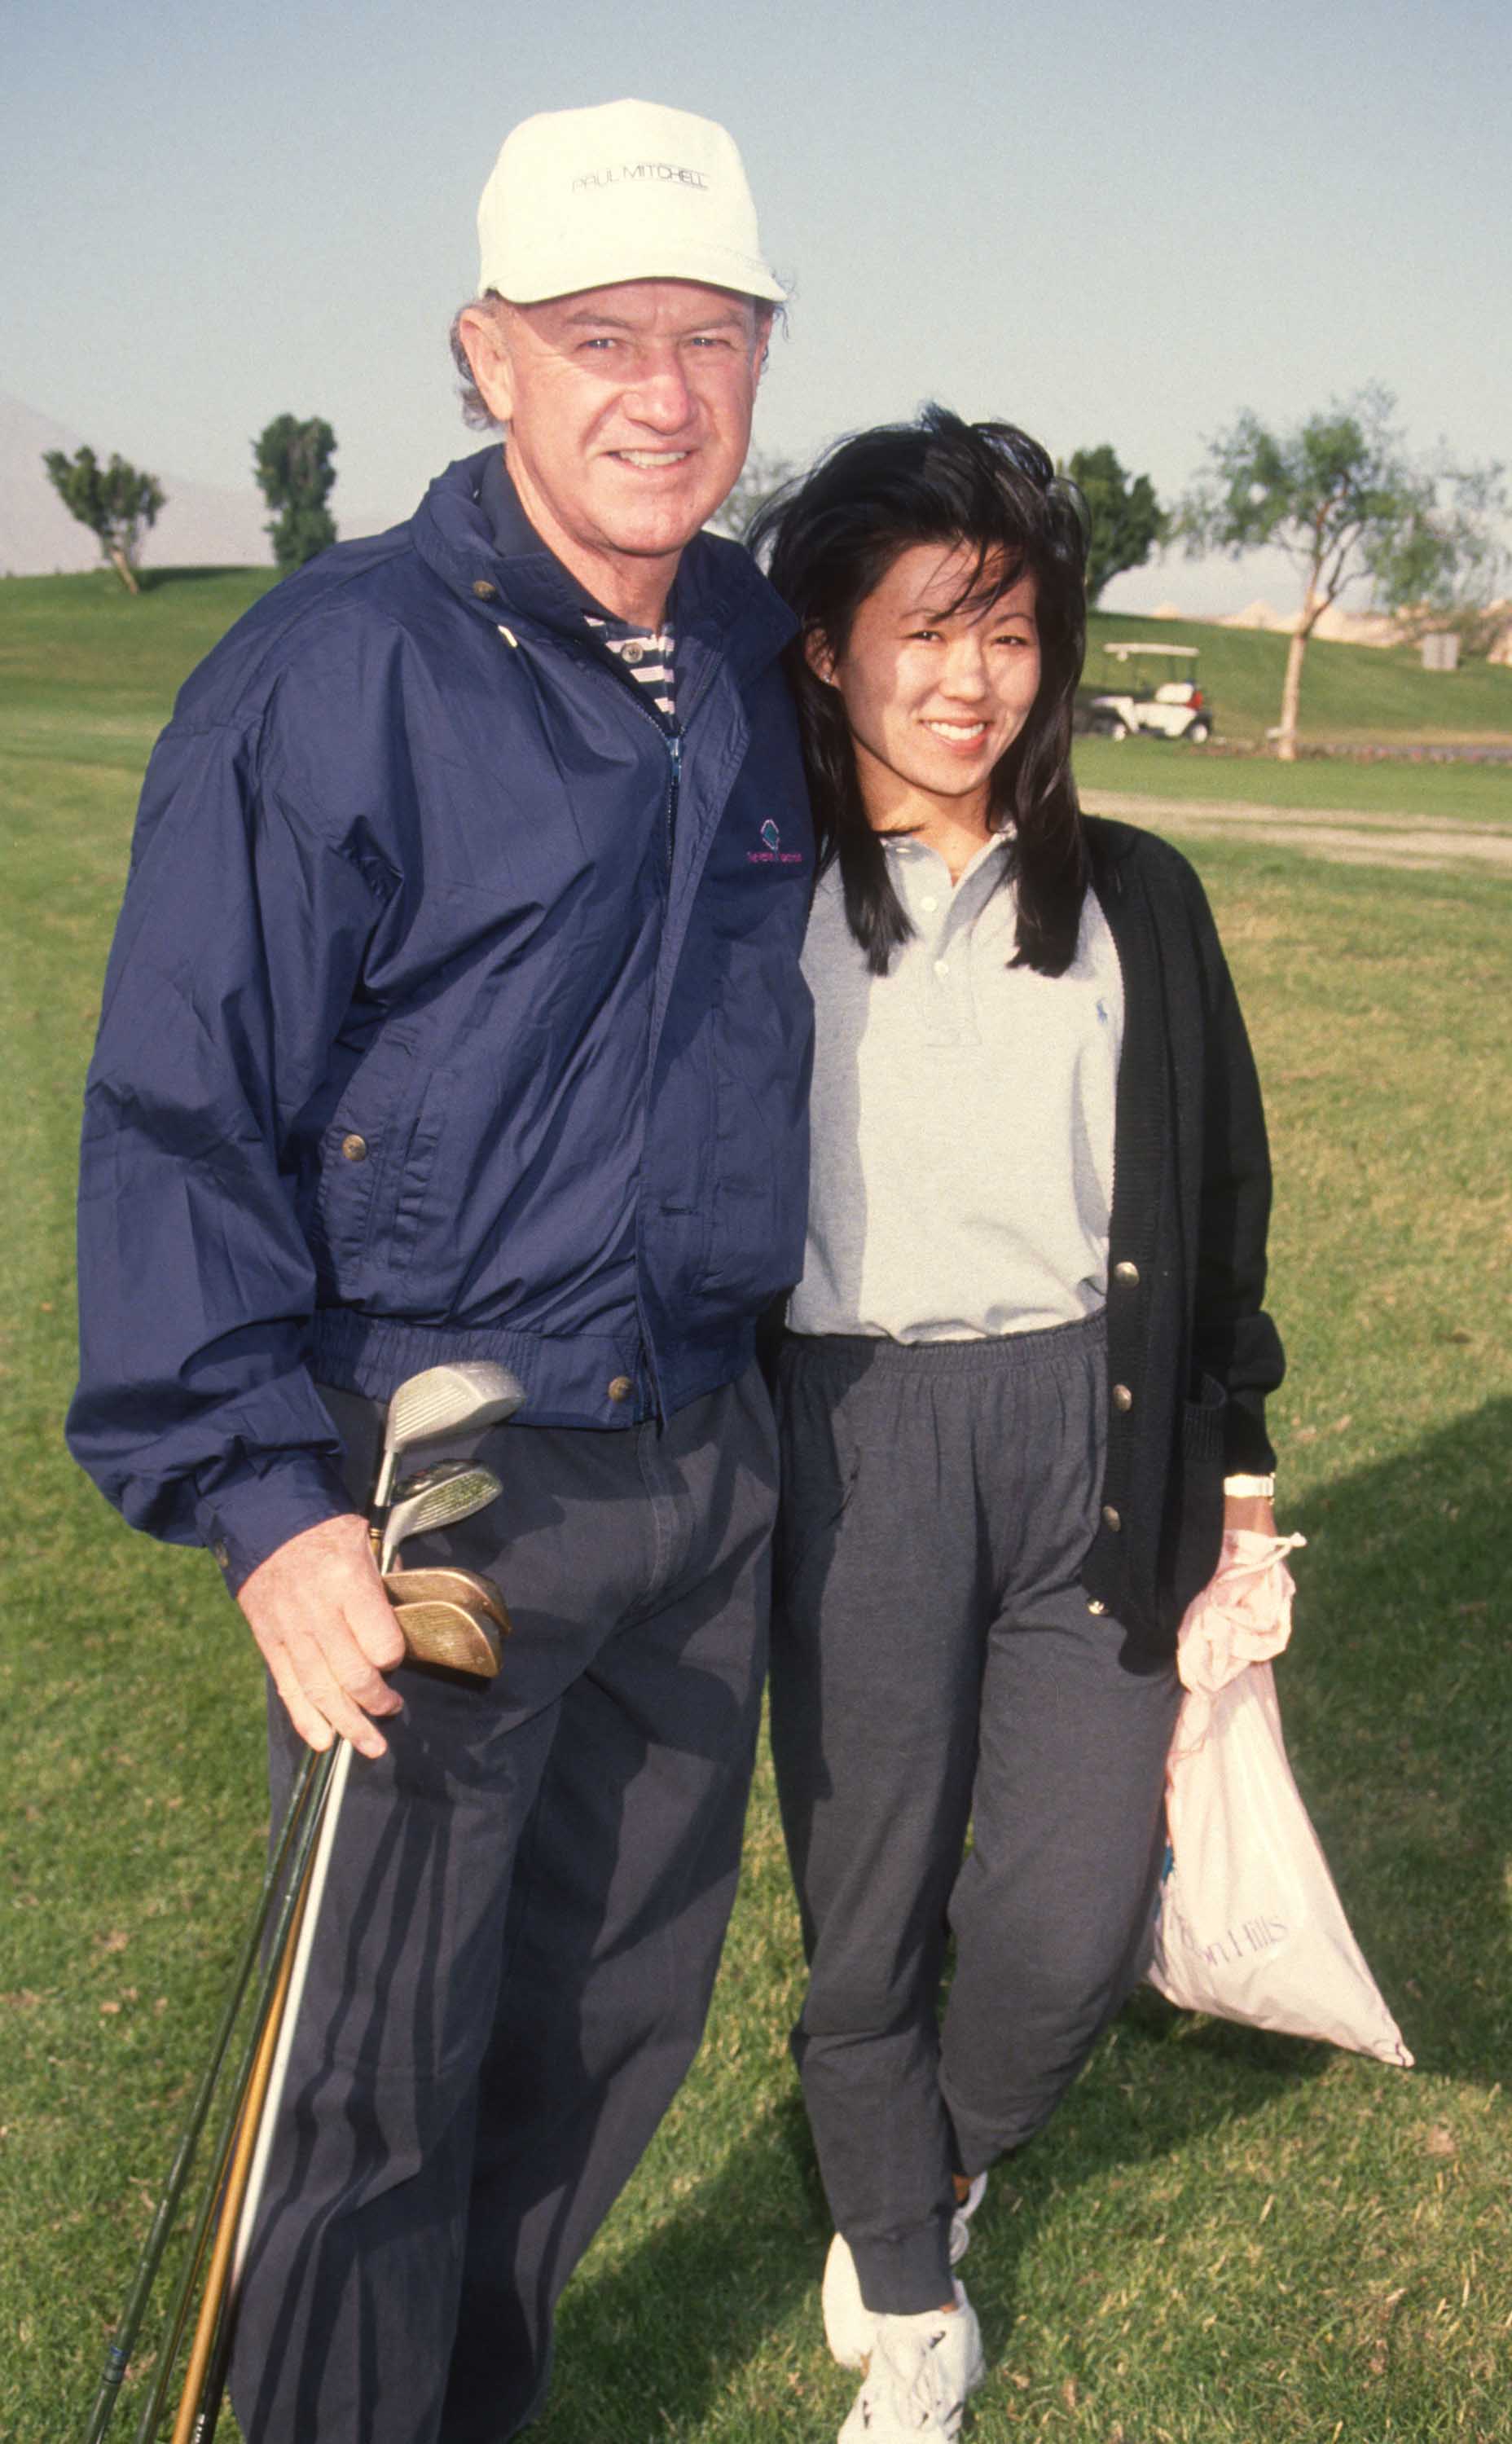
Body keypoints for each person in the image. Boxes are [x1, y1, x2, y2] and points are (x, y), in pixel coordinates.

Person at [66, 99, 813, 2443]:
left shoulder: (764, 659)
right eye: (603, 333)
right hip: (444, 1493)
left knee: (599, 2039)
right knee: (372, 2087)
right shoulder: (333, 672)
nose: (662, 390)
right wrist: (263, 1498)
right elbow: (181, 1106)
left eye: (714, 335)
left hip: (700, 1465)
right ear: (485, 354)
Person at [750, 408, 1286, 2444]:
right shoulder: (760, 891)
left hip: (1097, 1427)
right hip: (854, 1431)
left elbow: (1216, 1203)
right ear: (826, 646)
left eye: (1014, 633)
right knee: (870, 1891)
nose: (973, 679)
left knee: (1065, 1922)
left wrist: (1236, 1485)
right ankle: (906, 2294)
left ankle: (925, 2160)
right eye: (928, 627)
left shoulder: (1139, 895)